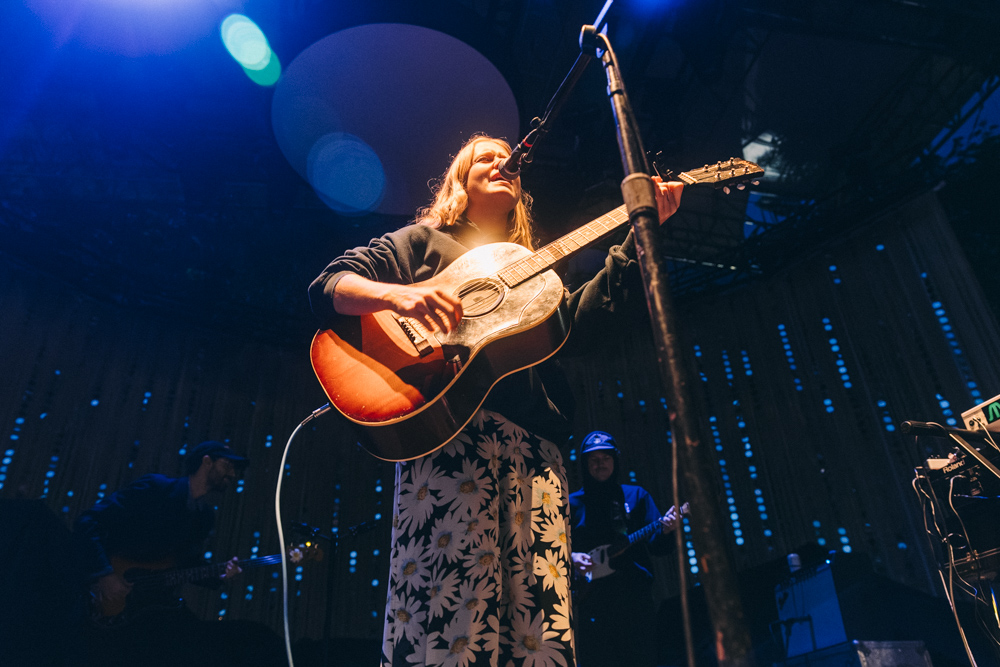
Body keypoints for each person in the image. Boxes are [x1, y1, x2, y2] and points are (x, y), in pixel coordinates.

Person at [308, 134, 683, 667]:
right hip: (454, 439)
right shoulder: (421, 242)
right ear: (459, 180)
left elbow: (579, 330)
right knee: (451, 618)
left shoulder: (529, 268)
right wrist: (401, 296)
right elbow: (329, 285)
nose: (504, 162)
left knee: (538, 629)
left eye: (510, 160)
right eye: (486, 156)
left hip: (537, 451)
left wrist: (639, 240)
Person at [73, 440, 270, 667]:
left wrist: (220, 574)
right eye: (227, 465)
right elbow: (89, 522)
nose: (233, 474)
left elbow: (184, 565)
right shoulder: (156, 488)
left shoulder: (204, 518)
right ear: (207, 462)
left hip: (146, 613)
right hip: (99, 598)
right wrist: (104, 574)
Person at [569, 430, 681, 667]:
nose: (600, 464)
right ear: (585, 464)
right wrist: (572, 558)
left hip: (635, 601)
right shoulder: (571, 504)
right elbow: (553, 550)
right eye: (593, 459)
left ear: (615, 460)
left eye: (606, 458)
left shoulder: (637, 496)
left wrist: (667, 530)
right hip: (593, 602)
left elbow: (659, 548)